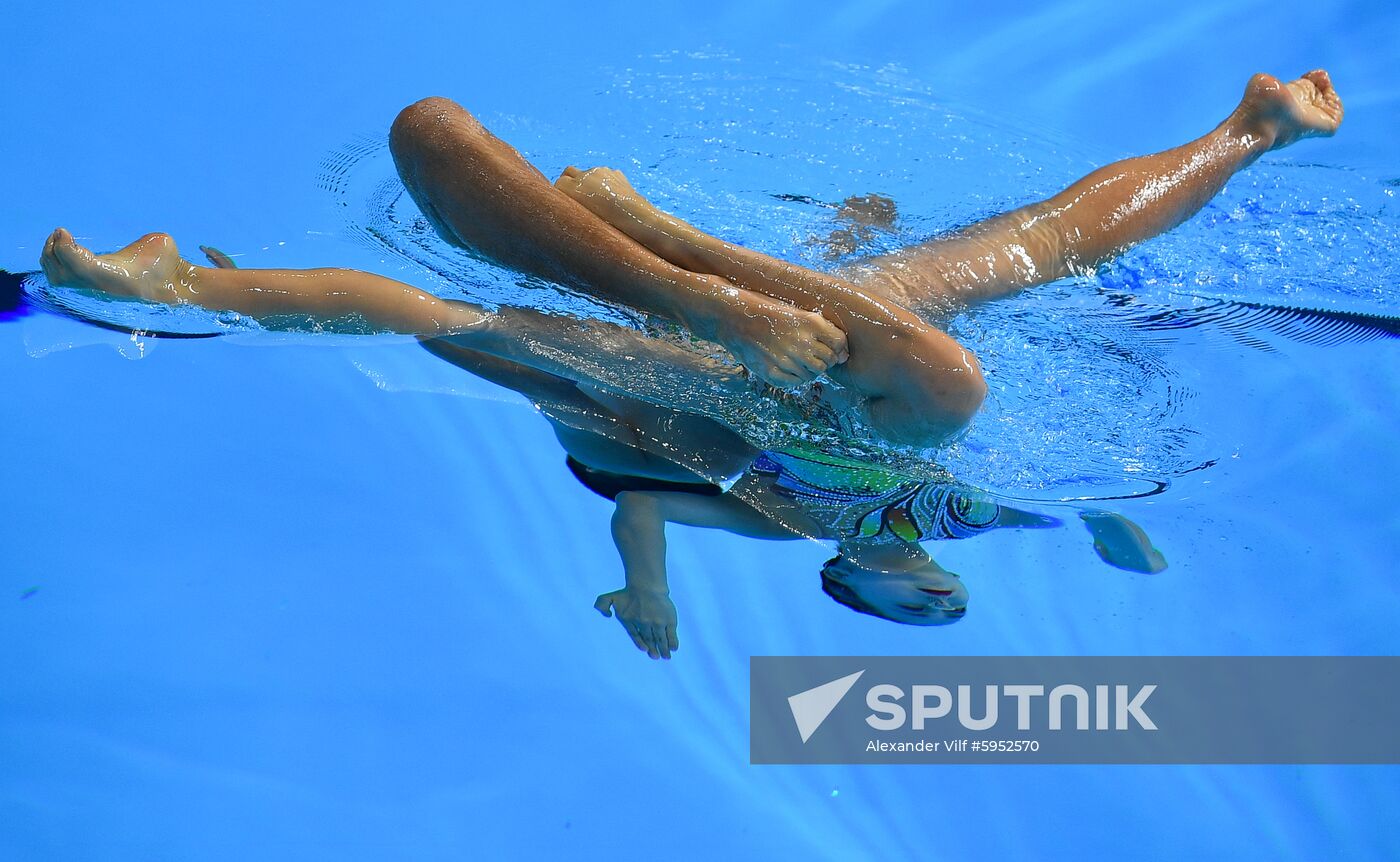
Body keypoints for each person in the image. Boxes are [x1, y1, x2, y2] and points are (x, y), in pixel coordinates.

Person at [36, 71, 1340, 656]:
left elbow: (653, 500)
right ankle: (1246, 128)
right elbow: (1086, 505)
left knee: (433, 245)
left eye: (901, 602)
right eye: (940, 599)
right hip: (822, 364)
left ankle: (178, 279)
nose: (926, 584)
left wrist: (641, 591)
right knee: (1011, 277)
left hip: (654, 400)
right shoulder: (952, 508)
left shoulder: (787, 533)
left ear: (851, 577)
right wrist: (1123, 535)